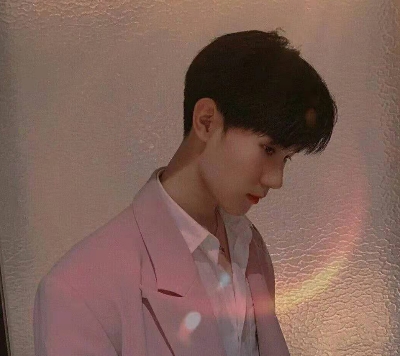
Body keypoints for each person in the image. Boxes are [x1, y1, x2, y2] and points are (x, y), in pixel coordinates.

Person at [33, 30, 338, 356]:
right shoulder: (78, 290)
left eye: (286, 158)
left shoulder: (248, 246)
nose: (276, 179)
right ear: (206, 121)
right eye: (268, 149)